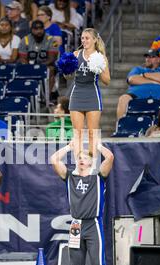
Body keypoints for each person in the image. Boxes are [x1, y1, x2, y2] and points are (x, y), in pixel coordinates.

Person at [50, 140, 114, 265]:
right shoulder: (70, 176)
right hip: (76, 224)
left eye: (85, 157)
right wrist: (68, 147)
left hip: (93, 224)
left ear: (92, 161)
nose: (81, 159)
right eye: (79, 157)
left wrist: (97, 146)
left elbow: (110, 157)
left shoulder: (98, 177)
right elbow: (54, 160)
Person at [69, 28, 110, 173]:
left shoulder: (101, 57)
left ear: (94, 40)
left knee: (93, 133)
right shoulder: (75, 54)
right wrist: (66, 69)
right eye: (82, 38)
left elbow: (107, 81)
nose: (84, 41)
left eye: (87, 38)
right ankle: (78, 165)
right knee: (77, 133)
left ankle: (92, 165)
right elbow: (68, 77)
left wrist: (98, 69)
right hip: (77, 93)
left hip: (92, 94)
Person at [116, 49, 160, 120]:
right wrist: (154, 81)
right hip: (137, 95)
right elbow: (132, 79)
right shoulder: (138, 69)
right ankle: (122, 126)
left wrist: (143, 76)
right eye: (147, 57)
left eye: (152, 57)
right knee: (123, 98)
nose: (148, 59)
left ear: (158, 59)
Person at [18, 20, 58, 96]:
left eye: (41, 28)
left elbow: (52, 58)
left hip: (46, 65)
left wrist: (39, 67)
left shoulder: (51, 40)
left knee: (51, 70)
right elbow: (23, 58)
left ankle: (47, 97)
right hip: (29, 65)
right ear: (31, 30)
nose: (39, 31)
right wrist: (30, 67)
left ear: (44, 29)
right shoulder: (25, 40)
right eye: (36, 29)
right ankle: (27, 95)